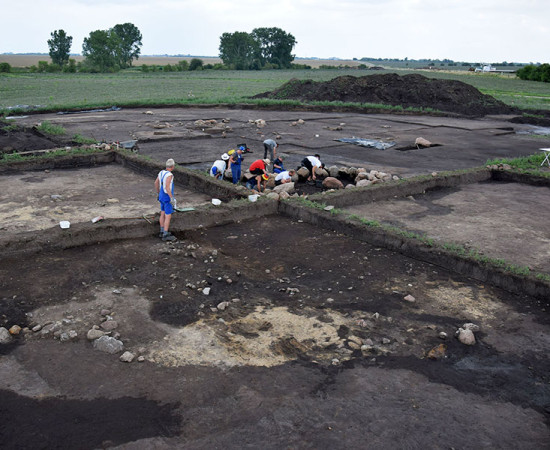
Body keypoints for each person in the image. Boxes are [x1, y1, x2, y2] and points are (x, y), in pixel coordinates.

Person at [154, 158, 177, 242]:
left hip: (161, 196)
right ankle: (166, 234)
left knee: (162, 213)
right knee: (168, 215)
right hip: (167, 197)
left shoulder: (161, 173)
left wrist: (158, 193)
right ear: (172, 166)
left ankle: (162, 231)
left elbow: (156, 183)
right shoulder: (169, 175)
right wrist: (171, 198)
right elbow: (167, 187)